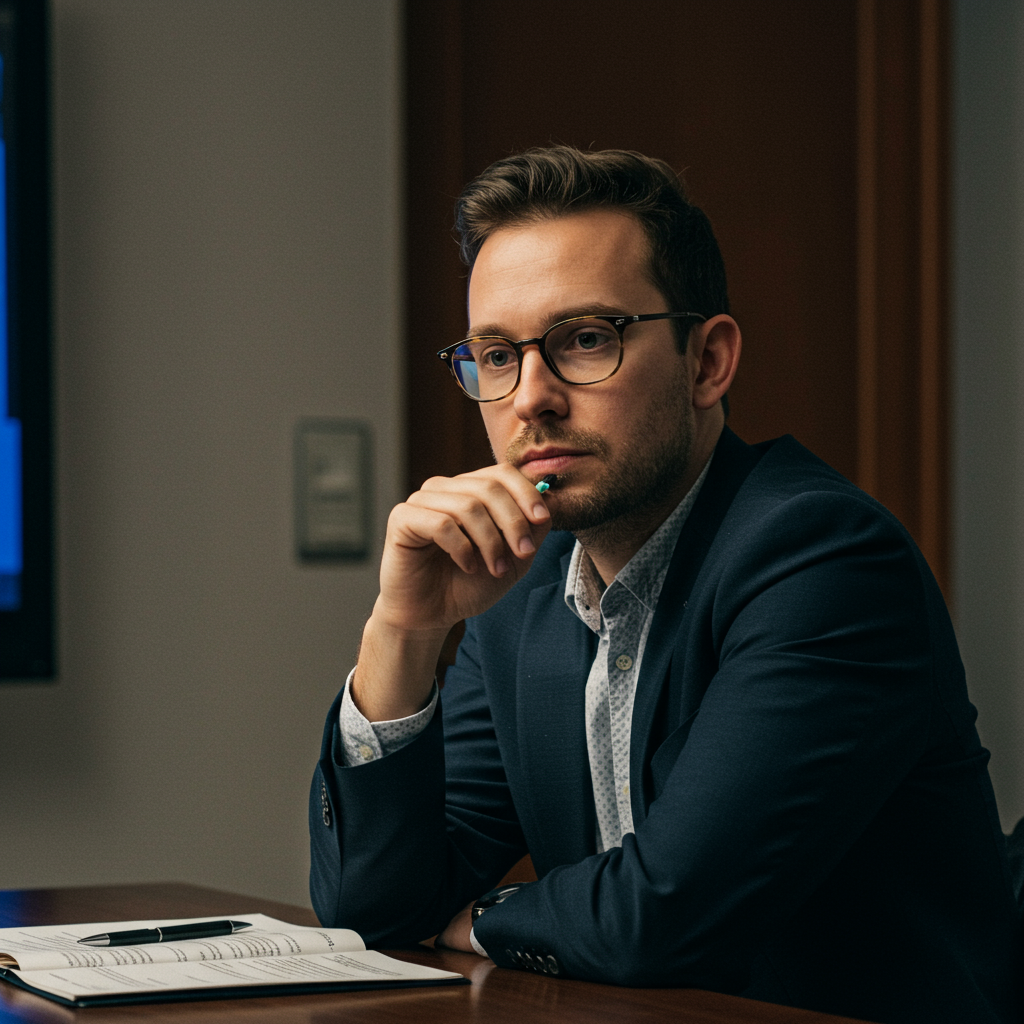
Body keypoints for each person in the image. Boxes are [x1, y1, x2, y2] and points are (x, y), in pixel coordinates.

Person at [309, 147, 1020, 1024]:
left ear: (707, 363)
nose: (529, 398)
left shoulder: (823, 559)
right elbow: (372, 909)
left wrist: (475, 920)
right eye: (496, 355)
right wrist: (401, 632)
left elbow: (665, 913)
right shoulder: (524, 599)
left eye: (584, 340)